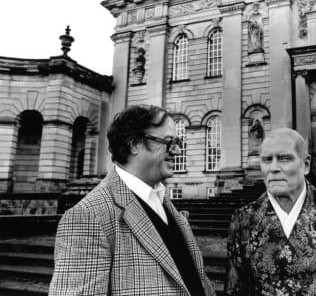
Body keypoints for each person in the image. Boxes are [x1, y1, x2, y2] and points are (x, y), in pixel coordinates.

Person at [49, 105, 215, 296]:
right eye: (169, 142)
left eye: (178, 142)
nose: (177, 151)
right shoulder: (88, 217)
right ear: (134, 143)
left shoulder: (162, 201)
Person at [225, 128, 316, 295]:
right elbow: (235, 289)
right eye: (267, 159)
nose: (273, 168)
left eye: (284, 158)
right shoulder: (243, 219)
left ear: (306, 165)